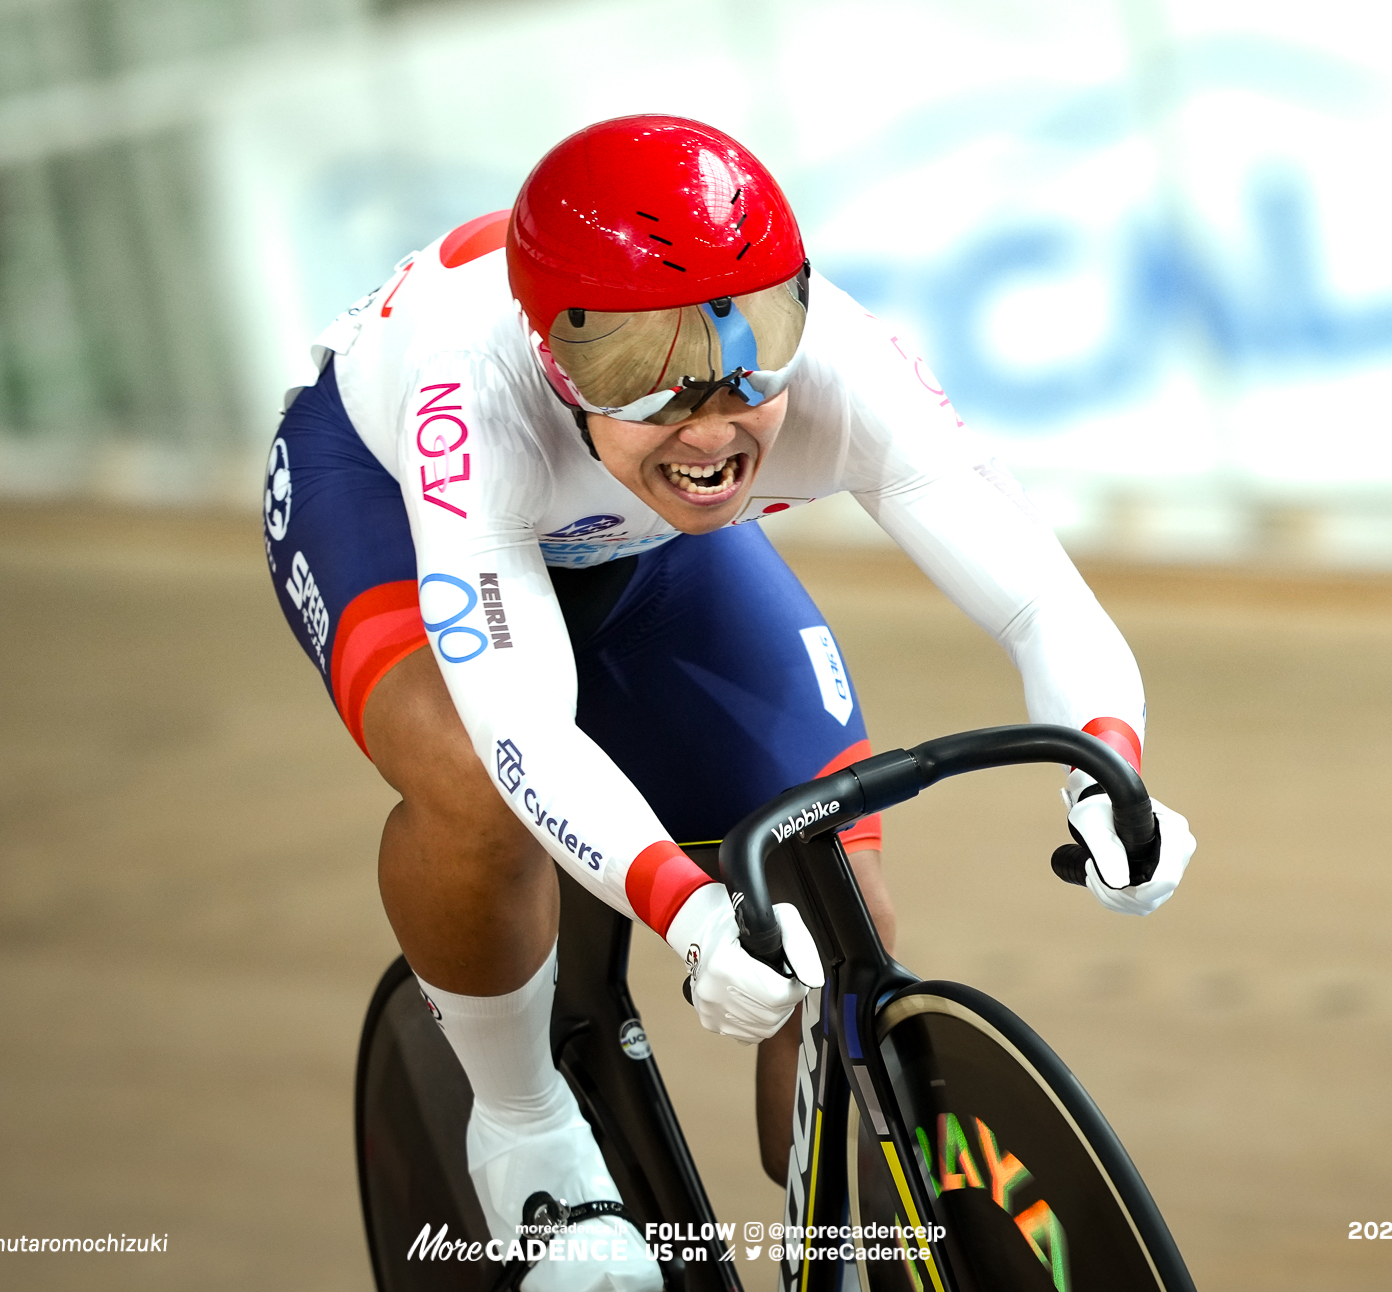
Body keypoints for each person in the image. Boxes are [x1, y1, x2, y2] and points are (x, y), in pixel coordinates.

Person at [264, 114, 1195, 1290]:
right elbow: (522, 730)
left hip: (638, 534)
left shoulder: (840, 371)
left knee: (829, 878)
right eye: (634, 377)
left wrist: (1108, 768)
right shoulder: (476, 398)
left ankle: (846, 1230)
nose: (709, 421)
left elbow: (1040, 604)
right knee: (477, 790)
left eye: (755, 340)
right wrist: (687, 912)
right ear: (557, 360)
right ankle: (520, 1127)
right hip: (389, 499)